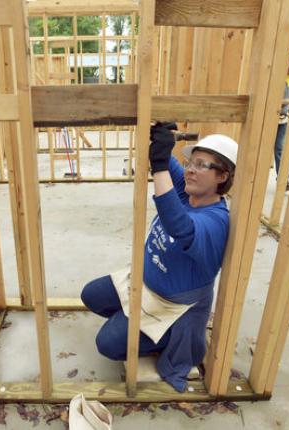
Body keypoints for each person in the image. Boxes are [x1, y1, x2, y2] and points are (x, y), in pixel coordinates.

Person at [81, 123, 237, 392]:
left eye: (202, 165)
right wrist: (156, 134)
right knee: (90, 294)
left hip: (170, 304)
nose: (190, 169)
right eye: (191, 161)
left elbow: (179, 225)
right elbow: (163, 163)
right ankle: (134, 324)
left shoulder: (216, 221)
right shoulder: (188, 190)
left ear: (222, 176)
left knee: (106, 343)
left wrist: (160, 165)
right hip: (144, 282)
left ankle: (168, 335)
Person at [274, 51, 289, 190]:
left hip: (283, 118)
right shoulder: (278, 76)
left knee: (279, 148)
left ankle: (283, 180)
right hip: (270, 117)